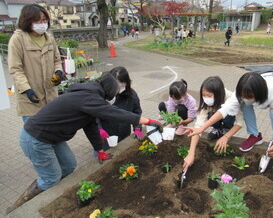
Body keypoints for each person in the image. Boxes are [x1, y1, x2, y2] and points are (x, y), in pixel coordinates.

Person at [6, 72, 162, 214]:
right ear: (108, 91)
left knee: (69, 165)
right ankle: (18, 209)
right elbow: (114, 113)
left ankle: (51, 192)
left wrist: (100, 150)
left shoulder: (89, 96)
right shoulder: (88, 97)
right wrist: (147, 121)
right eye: (114, 93)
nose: (115, 96)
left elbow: (91, 126)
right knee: (51, 178)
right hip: (36, 138)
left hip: (51, 137)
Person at [184, 72, 273, 157]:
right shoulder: (242, 92)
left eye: (249, 97)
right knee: (244, 105)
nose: (246, 99)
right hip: (264, 84)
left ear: (259, 94)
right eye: (243, 96)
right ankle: (255, 135)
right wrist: (201, 128)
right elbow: (224, 110)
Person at [8, 4, 63, 122]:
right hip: (31, 98)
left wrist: (58, 71)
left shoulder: (49, 38)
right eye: (38, 20)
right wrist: (26, 89)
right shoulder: (18, 39)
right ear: (28, 21)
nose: (42, 23)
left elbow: (57, 60)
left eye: (44, 20)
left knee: (52, 131)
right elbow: (15, 69)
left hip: (50, 96)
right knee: (35, 135)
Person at [183, 76, 236, 170]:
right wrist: (191, 153)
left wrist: (226, 136)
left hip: (229, 118)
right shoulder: (206, 104)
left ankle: (226, 130)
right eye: (203, 95)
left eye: (209, 95)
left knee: (229, 115)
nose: (206, 98)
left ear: (218, 94)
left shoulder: (231, 98)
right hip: (217, 117)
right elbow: (198, 127)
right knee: (211, 115)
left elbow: (240, 121)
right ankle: (218, 129)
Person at [98, 67, 144, 151]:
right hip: (106, 134)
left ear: (126, 83)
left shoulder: (131, 95)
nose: (118, 91)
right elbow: (93, 114)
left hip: (124, 133)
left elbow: (137, 112)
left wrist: (137, 127)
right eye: (116, 88)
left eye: (121, 87)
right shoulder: (102, 94)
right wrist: (99, 128)